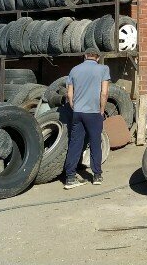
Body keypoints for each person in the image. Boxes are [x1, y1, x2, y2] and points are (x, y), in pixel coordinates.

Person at [63, 47, 110, 188]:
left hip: (78, 112)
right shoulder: (103, 69)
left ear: (85, 56)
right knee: (95, 143)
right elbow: (104, 93)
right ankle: (97, 175)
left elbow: (69, 94)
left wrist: (74, 107)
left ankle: (70, 177)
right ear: (97, 57)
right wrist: (101, 110)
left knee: (75, 143)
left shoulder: (74, 70)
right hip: (94, 112)